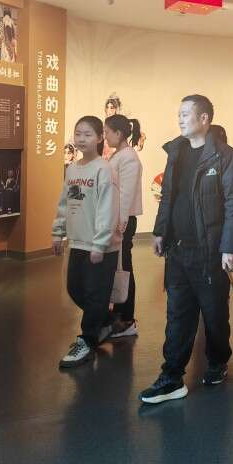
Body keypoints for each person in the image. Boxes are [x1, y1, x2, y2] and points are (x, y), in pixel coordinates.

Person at [140, 95, 233, 404]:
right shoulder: (176, 152)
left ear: (204, 119)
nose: (180, 118)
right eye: (179, 113)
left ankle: (217, 361)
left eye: (186, 113)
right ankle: (172, 376)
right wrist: (161, 231)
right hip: (177, 250)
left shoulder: (226, 157)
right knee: (177, 314)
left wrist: (230, 247)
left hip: (210, 253)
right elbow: (168, 196)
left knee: (214, 314)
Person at [51, 116, 121, 368]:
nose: (81, 139)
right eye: (78, 133)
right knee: (75, 289)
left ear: (100, 138)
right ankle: (106, 320)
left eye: (88, 134)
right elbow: (66, 202)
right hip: (78, 242)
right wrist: (58, 232)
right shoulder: (72, 169)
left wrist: (100, 243)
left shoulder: (104, 169)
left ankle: (87, 341)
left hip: (99, 245)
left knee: (94, 293)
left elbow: (107, 208)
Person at [103, 115, 144, 339]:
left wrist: (119, 225)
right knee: (118, 267)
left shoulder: (128, 157)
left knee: (123, 268)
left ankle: (127, 320)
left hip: (122, 221)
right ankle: (119, 314)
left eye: (107, 132)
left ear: (118, 134)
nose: (105, 136)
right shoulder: (120, 155)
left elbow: (125, 195)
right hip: (116, 219)